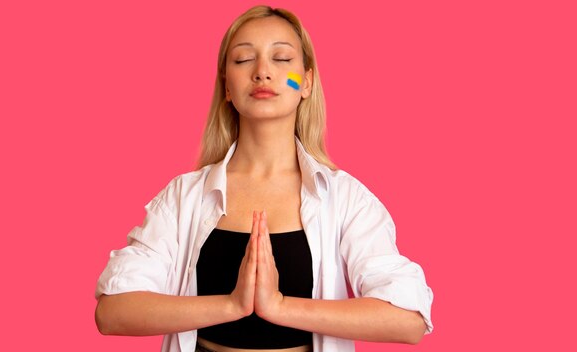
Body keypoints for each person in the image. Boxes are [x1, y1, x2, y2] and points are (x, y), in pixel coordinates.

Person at [95, 5, 433, 352]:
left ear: (306, 82)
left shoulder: (346, 198)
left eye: (283, 59)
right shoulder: (183, 196)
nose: (262, 72)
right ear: (227, 85)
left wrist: (280, 306)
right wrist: (231, 304)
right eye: (243, 60)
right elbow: (113, 311)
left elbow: (408, 320)